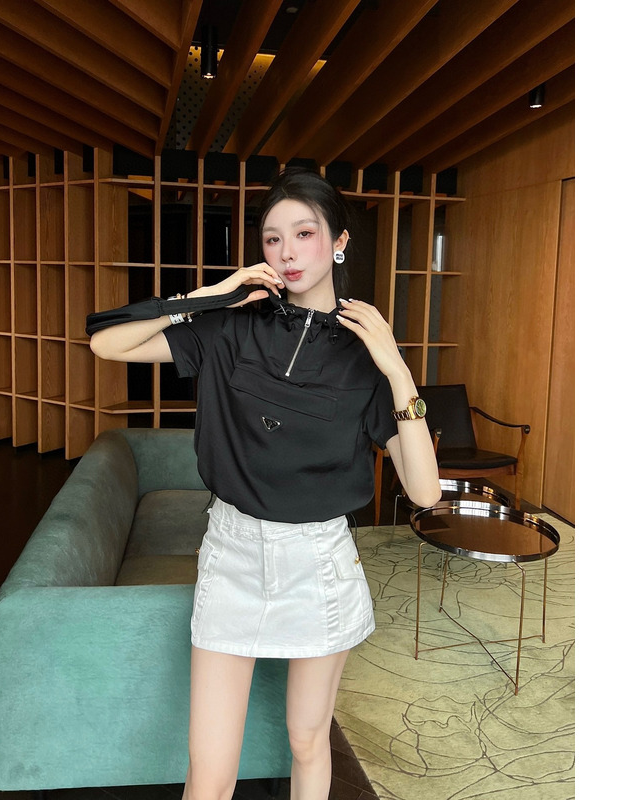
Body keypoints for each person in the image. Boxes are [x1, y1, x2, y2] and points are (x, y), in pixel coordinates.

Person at [89, 167, 441, 800]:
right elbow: (107, 344)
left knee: (307, 741)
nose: (286, 252)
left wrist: (396, 369)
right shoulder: (232, 326)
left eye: (304, 233)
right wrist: (212, 295)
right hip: (232, 554)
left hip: (319, 562)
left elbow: (425, 492)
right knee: (209, 769)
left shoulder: (366, 359)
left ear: (338, 241)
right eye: (273, 238)